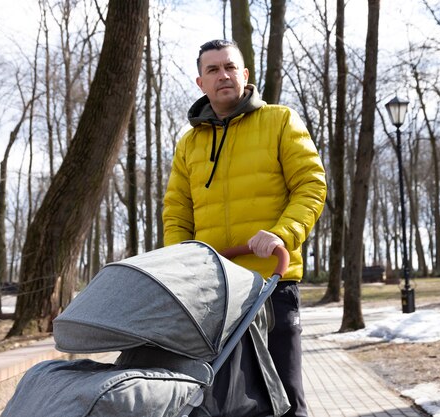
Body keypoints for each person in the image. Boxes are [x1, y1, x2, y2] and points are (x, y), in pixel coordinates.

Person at [163, 39, 327, 417]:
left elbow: (312, 185)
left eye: (230, 67)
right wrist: (179, 266)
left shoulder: (279, 121)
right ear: (200, 82)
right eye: (213, 70)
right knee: (222, 400)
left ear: (245, 75)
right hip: (214, 293)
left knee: (285, 398)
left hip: (271, 283)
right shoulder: (189, 144)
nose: (223, 75)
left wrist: (281, 233)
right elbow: (177, 212)